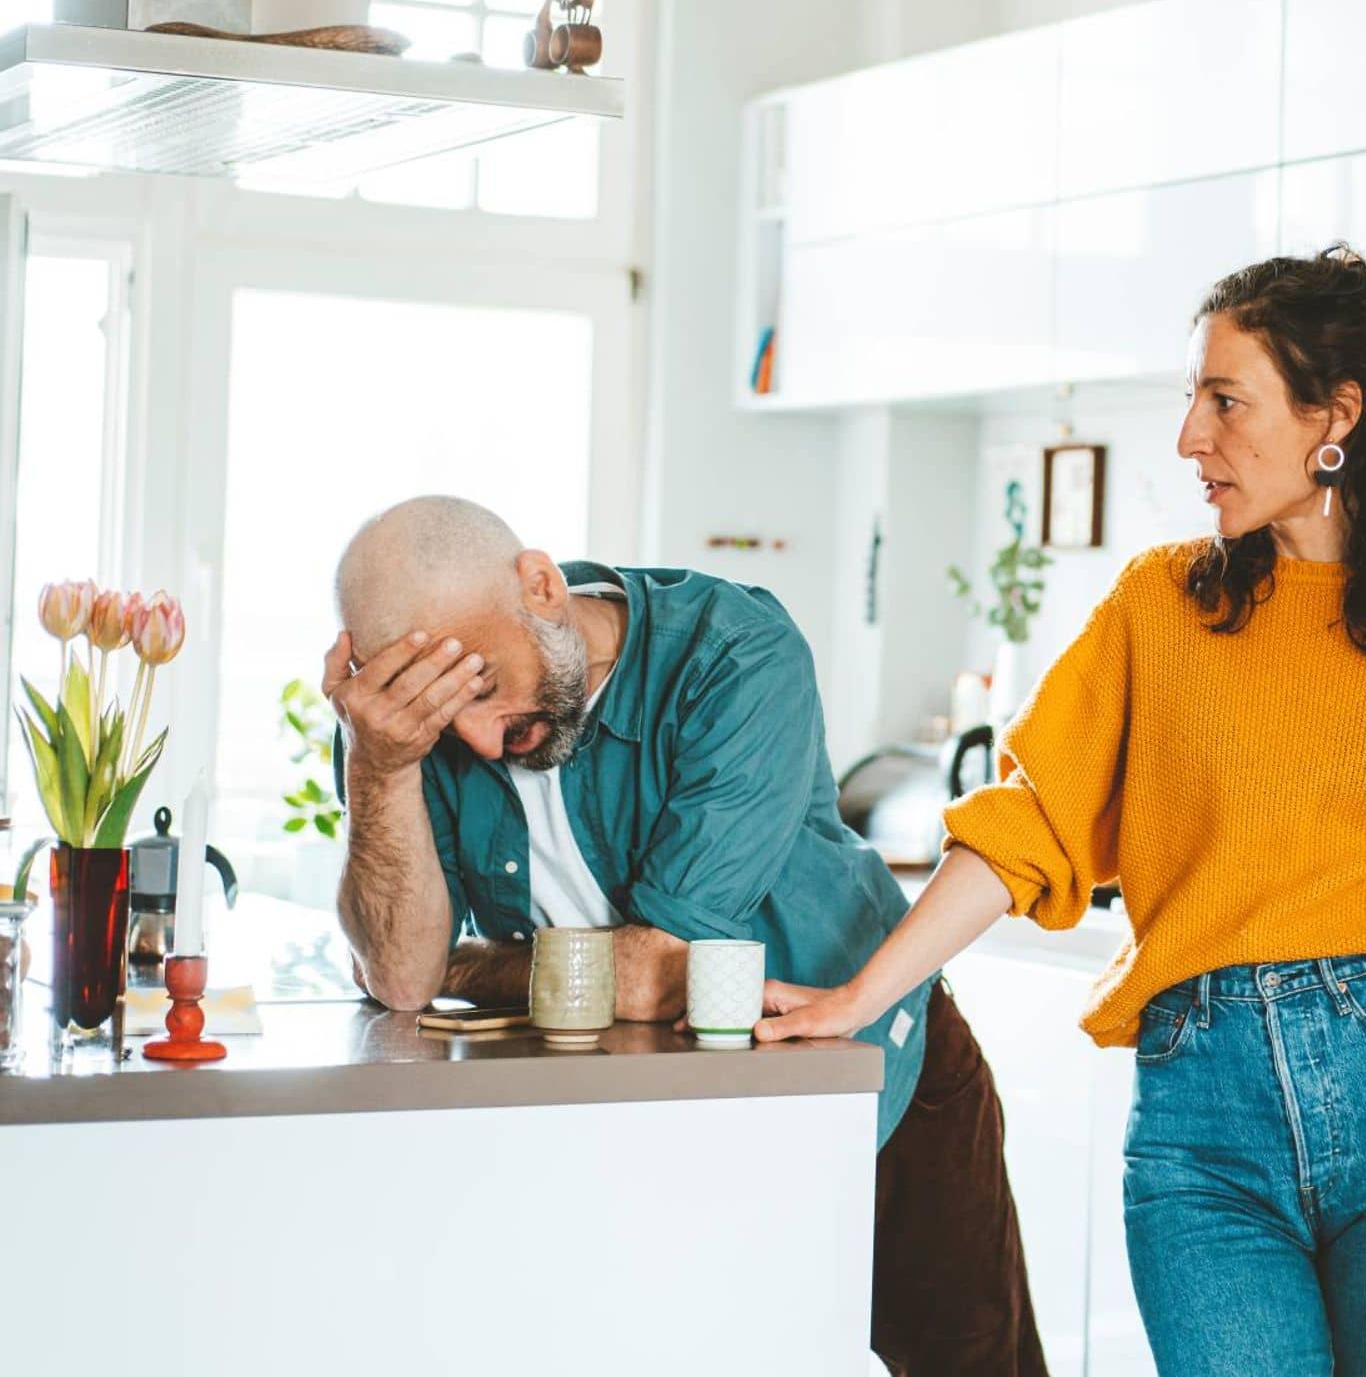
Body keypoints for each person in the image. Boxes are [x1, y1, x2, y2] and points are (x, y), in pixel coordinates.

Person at [755, 247, 1366, 1376]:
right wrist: (862, 999)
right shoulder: (1159, 611)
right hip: (1199, 1132)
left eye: (1225, 401)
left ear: (1335, 415)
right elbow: (1029, 822)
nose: (1188, 438)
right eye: (1191, 400)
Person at [323, 495, 1047, 1376]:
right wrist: (383, 764)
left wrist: (467, 967)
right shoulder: (393, 727)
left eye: (483, 688)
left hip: (871, 1079)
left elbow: (656, 977)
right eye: (441, 719)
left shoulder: (734, 655)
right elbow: (400, 978)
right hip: (649, 1128)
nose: (478, 741)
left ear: (541, 587)